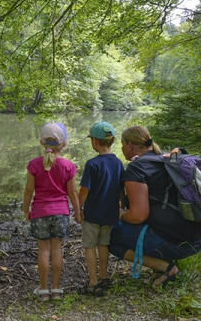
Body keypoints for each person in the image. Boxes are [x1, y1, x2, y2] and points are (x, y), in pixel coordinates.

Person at [109, 125, 201, 286]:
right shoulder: (165, 159)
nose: (122, 148)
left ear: (129, 145)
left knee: (107, 235)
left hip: (179, 242)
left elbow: (138, 215)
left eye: (122, 145)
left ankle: (166, 267)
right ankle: (164, 262)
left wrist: (121, 214)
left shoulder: (137, 169)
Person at [23, 122, 82, 301]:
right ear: (63, 144)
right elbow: (73, 192)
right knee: (57, 249)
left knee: (43, 251)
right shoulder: (68, 166)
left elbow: (28, 190)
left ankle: (43, 290)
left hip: (40, 212)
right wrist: (78, 213)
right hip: (61, 213)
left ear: (42, 143)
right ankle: (56, 289)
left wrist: (26, 209)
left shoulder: (34, 164)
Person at [76, 121, 124, 297]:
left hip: (92, 214)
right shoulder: (118, 163)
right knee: (103, 244)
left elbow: (84, 190)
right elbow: (121, 189)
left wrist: (78, 208)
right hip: (109, 214)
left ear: (95, 142)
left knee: (90, 246)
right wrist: (122, 205)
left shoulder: (92, 164)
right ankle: (104, 277)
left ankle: (93, 282)